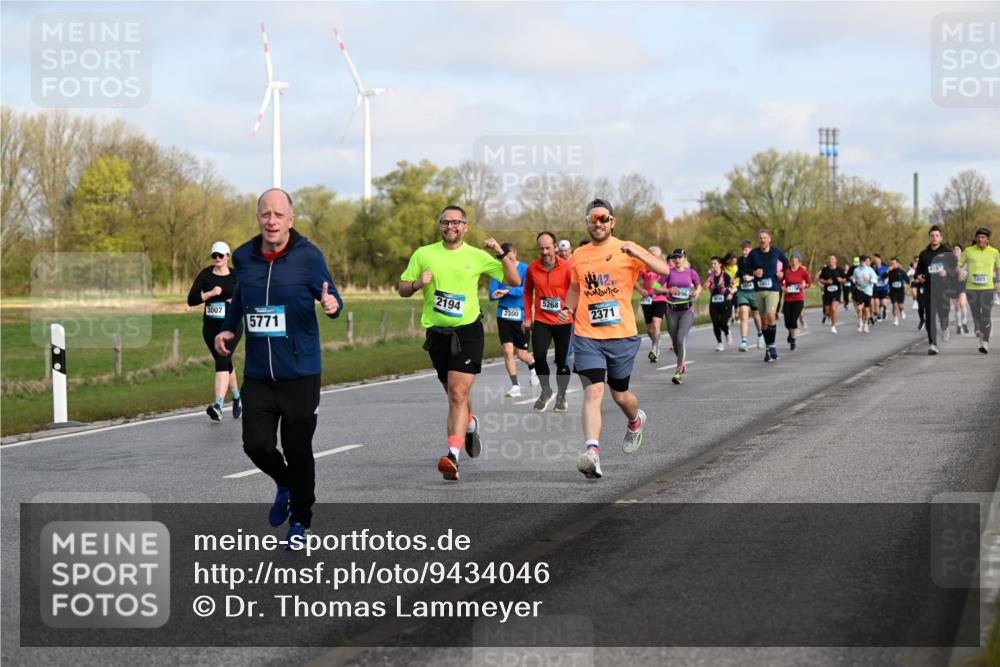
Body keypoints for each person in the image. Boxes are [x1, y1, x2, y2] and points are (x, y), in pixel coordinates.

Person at [215, 188, 343, 548]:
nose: (271, 221)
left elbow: (332, 297)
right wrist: (229, 328)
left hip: (301, 372)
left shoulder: (308, 257)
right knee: (256, 445)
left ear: (291, 220)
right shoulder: (244, 256)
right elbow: (240, 299)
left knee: (298, 449)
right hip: (259, 374)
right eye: (265, 214)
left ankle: (301, 520)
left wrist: (331, 305)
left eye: (278, 215)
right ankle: (285, 483)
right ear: (258, 217)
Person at [398, 205, 521, 481]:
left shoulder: (477, 256)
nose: (450, 226)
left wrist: (499, 253)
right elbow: (402, 288)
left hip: (467, 333)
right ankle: (470, 424)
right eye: (445, 222)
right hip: (437, 335)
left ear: (465, 227)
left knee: (457, 393)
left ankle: (452, 456)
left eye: (456, 222)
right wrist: (417, 284)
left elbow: (514, 280)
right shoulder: (424, 254)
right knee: (454, 394)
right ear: (440, 225)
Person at [558, 198, 670, 480]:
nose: (598, 223)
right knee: (593, 391)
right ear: (587, 223)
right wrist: (568, 309)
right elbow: (575, 288)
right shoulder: (579, 255)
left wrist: (637, 252)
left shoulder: (627, 249)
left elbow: (664, 270)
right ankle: (592, 452)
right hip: (587, 335)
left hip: (621, 335)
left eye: (603, 218)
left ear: (612, 222)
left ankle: (635, 420)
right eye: (593, 219)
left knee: (620, 395)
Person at [188, 241, 243, 422]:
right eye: (214, 255)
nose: (217, 258)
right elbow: (191, 300)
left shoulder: (236, 275)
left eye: (221, 255)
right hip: (210, 328)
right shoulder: (205, 274)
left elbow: (249, 295)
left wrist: (236, 300)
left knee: (222, 361)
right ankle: (237, 398)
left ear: (227, 256)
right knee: (225, 363)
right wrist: (210, 293)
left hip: (231, 326)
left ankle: (218, 406)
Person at [522, 231, 573, 412]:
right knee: (539, 356)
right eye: (541, 248)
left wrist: (570, 309)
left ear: (555, 247)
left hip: (563, 321)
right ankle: (546, 391)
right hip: (542, 320)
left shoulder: (567, 267)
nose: (544, 252)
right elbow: (527, 292)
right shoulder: (532, 268)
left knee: (561, 361)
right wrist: (527, 317)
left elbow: (576, 291)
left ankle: (562, 396)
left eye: (547, 248)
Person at [488, 243, 538, 397]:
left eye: (510, 258)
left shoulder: (525, 268)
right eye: (504, 259)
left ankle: (533, 366)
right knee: (507, 350)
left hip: (521, 316)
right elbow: (492, 294)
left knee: (521, 355)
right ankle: (515, 386)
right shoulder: (498, 269)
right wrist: (496, 294)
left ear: (515, 253)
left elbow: (527, 290)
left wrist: (507, 291)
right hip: (503, 315)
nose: (507, 261)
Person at [746, 229, 789, 362]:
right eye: (760, 238)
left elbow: (786, 262)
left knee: (771, 316)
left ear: (769, 239)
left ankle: (772, 346)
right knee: (764, 321)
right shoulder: (754, 253)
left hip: (773, 289)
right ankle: (768, 349)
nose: (762, 240)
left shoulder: (776, 251)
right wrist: (754, 272)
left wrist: (782, 273)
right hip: (759, 290)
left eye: (765, 238)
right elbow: (745, 268)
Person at [915, 226, 956, 355]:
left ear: (941, 238)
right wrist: (918, 276)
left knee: (944, 312)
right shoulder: (924, 254)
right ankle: (933, 344)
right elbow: (918, 270)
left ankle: (945, 327)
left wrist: (946, 272)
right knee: (929, 317)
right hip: (929, 288)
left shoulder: (947, 252)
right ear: (929, 237)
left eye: (937, 235)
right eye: (932, 235)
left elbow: (954, 269)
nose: (934, 238)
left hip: (943, 288)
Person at [959, 227, 1000, 353]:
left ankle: (985, 343)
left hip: (987, 288)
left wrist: (998, 282)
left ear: (987, 240)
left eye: (983, 237)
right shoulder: (968, 251)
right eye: (978, 237)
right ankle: (979, 330)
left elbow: (998, 267)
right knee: (976, 314)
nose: (980, 239)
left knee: (986, 315)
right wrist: (959, 273)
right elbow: (958, 264)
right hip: (971, 288)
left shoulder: (994, 252)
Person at [663, 249, 701, 384]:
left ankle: (678, 372)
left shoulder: (691, 272)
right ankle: (682, 362)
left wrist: (697, 292)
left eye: (679, 257)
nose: (677, 260)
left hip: (687, 311)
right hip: (671, 311)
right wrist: (668, 290)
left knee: (680, 339)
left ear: (684, 258)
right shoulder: (668, 272)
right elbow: (655, 285)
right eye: (675, 258)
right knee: (675, 343)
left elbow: (698, 285)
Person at [635, 246, 669, 362]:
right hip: (647, 299)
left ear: (659, 256)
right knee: (649, 330)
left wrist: (662, 289)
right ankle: (655, 341)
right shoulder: (644, 267)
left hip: (660, 299)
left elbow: (669, 280)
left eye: (653, 255)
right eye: (649, 255)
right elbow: (633, 279)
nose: (650, 257)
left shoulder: (664, 268)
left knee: (656, 323)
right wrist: (641, 290)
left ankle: (654, 349)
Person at [735, 240, 765, 352]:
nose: (744, 252)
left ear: (751, 250)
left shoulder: (757, 260)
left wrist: (751, 277)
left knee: (756, 315)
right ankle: (743, 342)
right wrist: (734, 279)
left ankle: (760, 335)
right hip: (743, 291)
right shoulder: (740, 260)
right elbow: (739, 272)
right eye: (743, 250)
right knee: (744, 315)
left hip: (754, 291)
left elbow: (762, 274)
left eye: (746, 250)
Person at [780, 251, 811, 350]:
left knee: (793, 319)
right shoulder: (786, 270)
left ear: (798, 260)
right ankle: (790, 332)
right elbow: (780, 281)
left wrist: (803, 286)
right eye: (792, 258)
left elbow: (809, 283)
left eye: (795, 258)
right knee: (787, 322)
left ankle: (793, 340)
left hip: (798, 299)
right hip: (788, 298)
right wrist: (783, 288)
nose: (793, 260)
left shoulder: (803, 271)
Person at [706, 256, 733, 352]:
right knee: (715, 324)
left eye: (715, 264)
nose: (713, 266)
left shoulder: (725, 275)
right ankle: (719, 343)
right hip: (714, 302)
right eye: (712, 264)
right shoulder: (710, 275)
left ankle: (727, 332)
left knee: (723, 323)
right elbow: (706, 286)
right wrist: (709, 286)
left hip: (725, 302)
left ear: (720, 265)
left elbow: (732, 286)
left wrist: (729, 293)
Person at [816, 255, 844, 334]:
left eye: (832, 259)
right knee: (827, 311)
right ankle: (829, 316)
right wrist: (826, 282)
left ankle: (833, 326)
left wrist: (841, 280)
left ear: (835, 261)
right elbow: (820, 279)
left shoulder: (840, 270)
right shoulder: (825, 270)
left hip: (836, 293)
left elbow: (845, 279)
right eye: (829, 259)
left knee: (834, 308)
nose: (830, 261)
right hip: (827, 293)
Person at [950, 243, 972, 336]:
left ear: (961, 252)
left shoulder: (965, 262)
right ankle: (959, 325)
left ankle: (964, 322)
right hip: (952, 285)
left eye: (958, 249)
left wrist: (964, 274)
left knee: (963, 304)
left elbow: (968, 272)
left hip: (962, 285)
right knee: (957, 307)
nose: (956, 250)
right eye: (954, 249)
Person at [852, 255, 877, 333]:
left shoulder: (870, 270)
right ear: (860, 262)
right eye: (861, 261)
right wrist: (855, 281)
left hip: (868, 291)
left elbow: (875, 280)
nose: (862, 262)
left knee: (866, 309)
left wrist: (869, 280)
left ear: (866, 262)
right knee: (859, 308)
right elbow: (853, 278)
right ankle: (860, 322)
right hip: (859, 290)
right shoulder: (856, 270)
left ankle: (866, 324)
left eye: (864, 261)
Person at [886, 258, 910, 326]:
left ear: (897, 264)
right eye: (891, 264)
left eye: (894, 263)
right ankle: (895, 319)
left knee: (900, 305)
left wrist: (906, 284)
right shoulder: (890, 272)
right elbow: (883, 277)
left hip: (900, 291)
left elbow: (907, 280)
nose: (892, 265)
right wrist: (887, 270)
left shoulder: (902, 272)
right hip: (892, 291)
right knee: (894, 305)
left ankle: (902, 310)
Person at [871, 254, 890, 323]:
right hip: (876, 288)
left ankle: (884, 309)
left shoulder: (884, 268)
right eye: (875, 261)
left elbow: (888, 275)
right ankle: (879, 315)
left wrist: (887, 280)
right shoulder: (873, 268)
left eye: (878, 261)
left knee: (884, 303)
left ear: (880, 261)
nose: (877, 262)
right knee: (876, 302)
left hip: (884, 288)